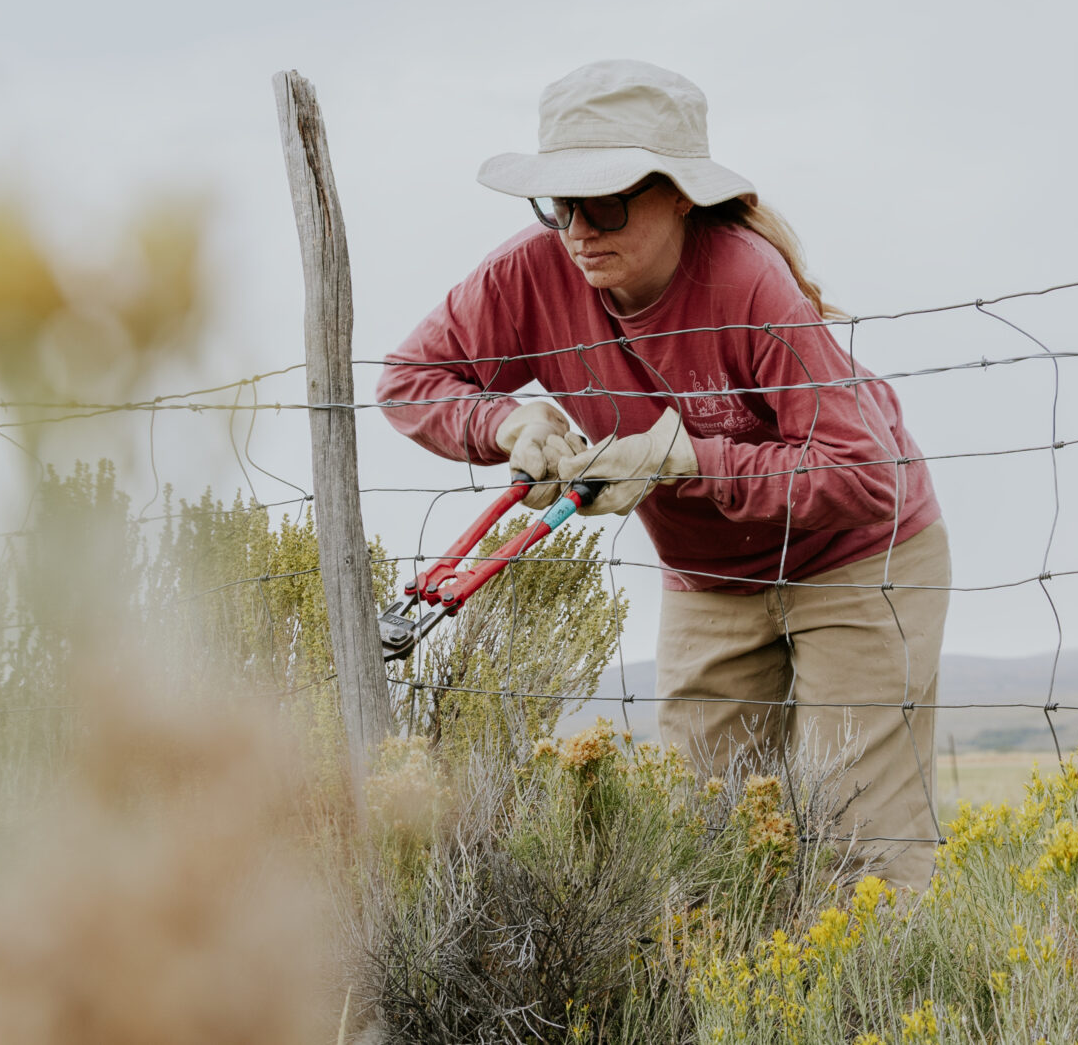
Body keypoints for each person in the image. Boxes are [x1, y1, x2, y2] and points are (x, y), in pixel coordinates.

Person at [376, 60, 950, 891]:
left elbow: (865, 476)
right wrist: (507, 421)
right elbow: (406, 382)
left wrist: (689, 458)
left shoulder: (751, 281)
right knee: (701, 850)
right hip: (711, 577)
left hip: (857, 562)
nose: (577, 229)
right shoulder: (530, 273)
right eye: (558, 203)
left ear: (678, 193)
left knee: (863, 850)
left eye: (605, 201)